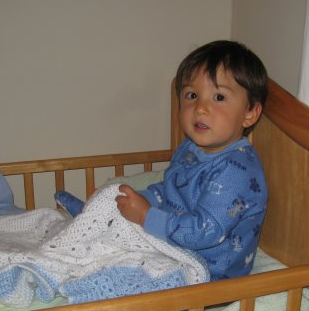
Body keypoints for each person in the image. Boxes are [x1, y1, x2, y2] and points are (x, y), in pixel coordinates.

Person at [115, 40, 268, 280]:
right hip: (174, 248)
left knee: (119, 276)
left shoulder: (237, 171)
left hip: (209, 274)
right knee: (110, 227)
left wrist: (147, 216)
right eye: (192, 95)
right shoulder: (190, 147)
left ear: (249, 113)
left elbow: (204, 231)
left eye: (219, 97)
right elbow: (172, 189)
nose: (200, 108)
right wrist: (137, 200)